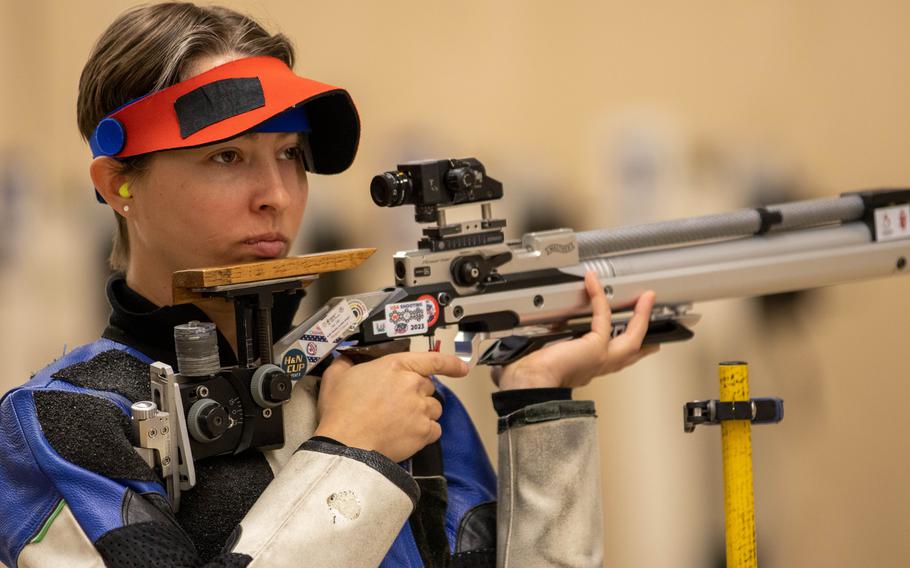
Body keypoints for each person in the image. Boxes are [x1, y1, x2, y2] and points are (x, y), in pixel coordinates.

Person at [0, 3, 658, 567]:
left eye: (290, 154)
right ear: (118, 183)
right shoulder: (60, 424)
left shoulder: (391, 386)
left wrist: (537, 405)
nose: (276, 194)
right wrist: (352, 450)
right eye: (226, 156)